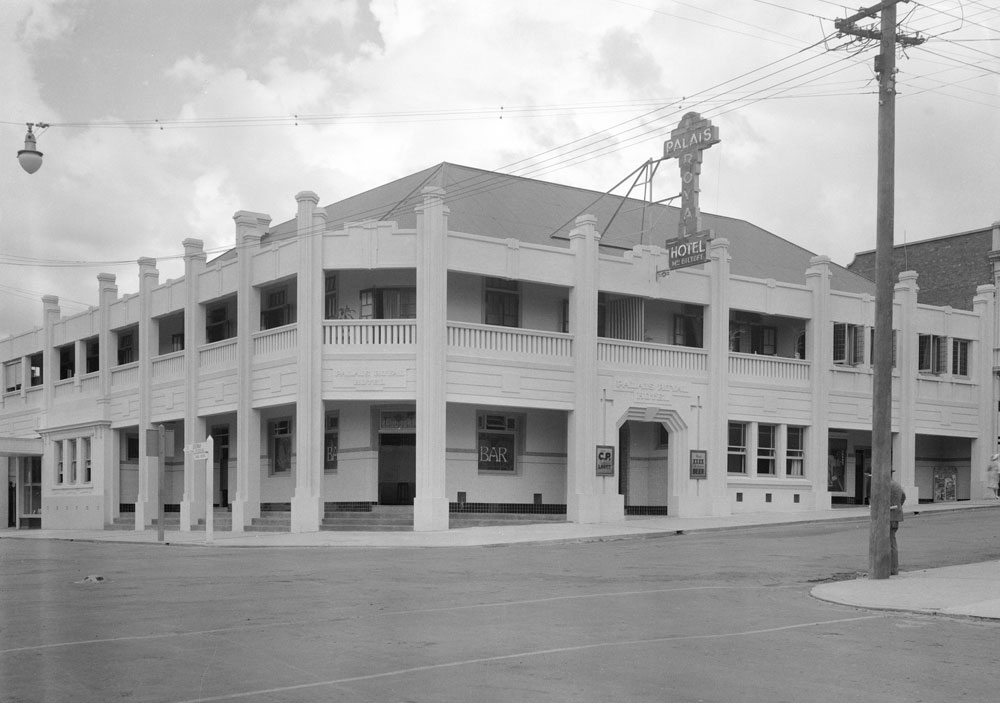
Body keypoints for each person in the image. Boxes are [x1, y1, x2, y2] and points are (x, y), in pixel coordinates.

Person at [889, 478, 906, 576]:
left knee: (889, 543)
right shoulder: (896, 484)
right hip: (896, 516)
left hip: (888, 516)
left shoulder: (885, 485)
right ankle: (893, 568)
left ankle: (891, 568)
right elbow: (903, 497)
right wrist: (898, 506)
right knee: (892, 541)